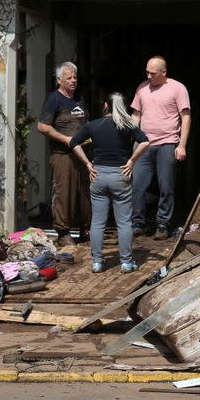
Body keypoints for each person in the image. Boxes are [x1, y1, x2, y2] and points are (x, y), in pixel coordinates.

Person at [70, 93, 150, 273]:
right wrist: (131, 161)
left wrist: (87, 164)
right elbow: (145, 142)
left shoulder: (93, 125)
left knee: (98, 222)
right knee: (124, 222)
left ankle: (97, 262)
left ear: (105, 106)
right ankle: (126, 262)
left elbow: (74, 143)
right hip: (120, 175)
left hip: (97, 175)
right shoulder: (128, 125)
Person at [130, 56, 191, 240]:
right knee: (137, 185)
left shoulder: (177, 88)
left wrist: (182, 145)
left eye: (152, 73)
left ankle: (163, 224)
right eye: (147, 72)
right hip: (144, 145)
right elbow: (135, 116)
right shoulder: (142, 88)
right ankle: (137, 223)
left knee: (166, 186)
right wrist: (130, 140)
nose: (148, 76)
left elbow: (186, 117)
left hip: (167, 143)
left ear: (163, 72)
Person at [37, 62, 90, 247]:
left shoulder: (79, 99)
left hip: (82, 155)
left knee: (85, 194)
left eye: (75, 77)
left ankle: (85, 230)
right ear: (59, 80)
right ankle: (63, 233)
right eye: (69, 77)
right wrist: (65, 139)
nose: (73, 80)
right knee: (63, 194)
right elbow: (42, 126)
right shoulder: (54, 99)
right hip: (63, 155)